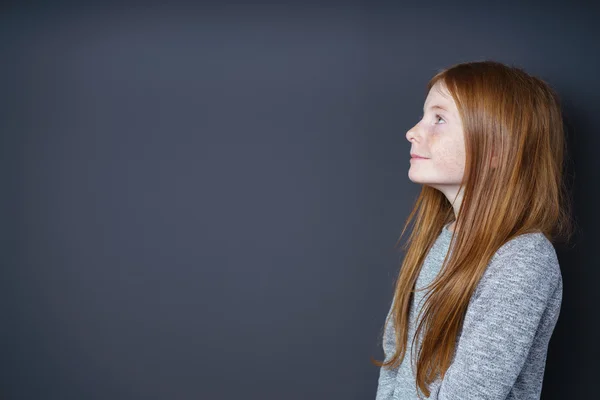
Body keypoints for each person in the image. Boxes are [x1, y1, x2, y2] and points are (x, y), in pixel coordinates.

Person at [372, 60, 575, 399]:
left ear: (497, 148)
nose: (413, 132)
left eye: (439, 119)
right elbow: (396, 361)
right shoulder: (437, 240)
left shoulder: (522, 259)